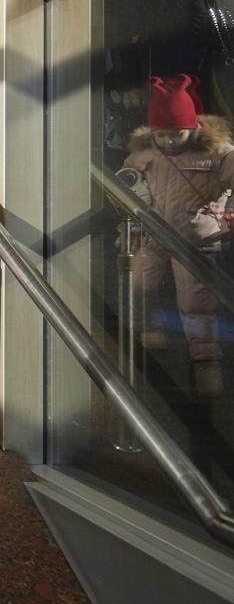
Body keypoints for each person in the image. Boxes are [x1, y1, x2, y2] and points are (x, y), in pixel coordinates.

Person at [123, 75, 232, 396]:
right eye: (162, 134)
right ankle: (148, 330)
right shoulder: (144, 155)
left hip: (196, 243)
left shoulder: (219, 154)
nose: (169, 140)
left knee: (197, 303)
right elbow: (125, 183)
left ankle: (205, 363)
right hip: (153, 236)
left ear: (193, 127)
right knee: (139, 284)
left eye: (177, 133)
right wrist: (127, 204)